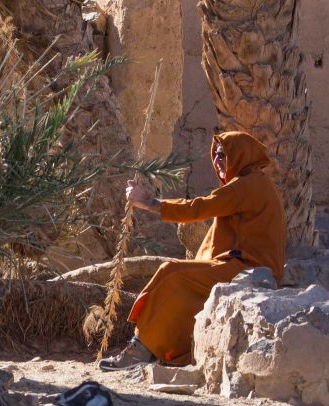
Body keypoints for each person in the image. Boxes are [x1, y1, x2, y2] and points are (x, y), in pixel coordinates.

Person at [99, 130, 287, 371]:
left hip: (248, 269)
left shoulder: (246, 186)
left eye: (224, 155)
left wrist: (149, 203)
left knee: (175, 278)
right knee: (170, 270)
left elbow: (199, 208)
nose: (217, 160)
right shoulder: (254, 183)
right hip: (242, 265)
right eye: (216, 154)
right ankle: (150, 345)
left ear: (241, 155)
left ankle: (141, 351)